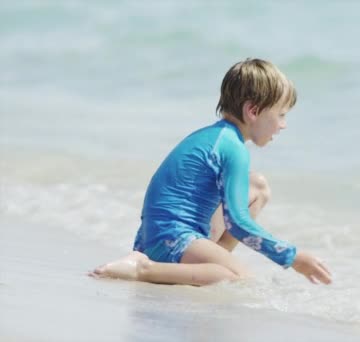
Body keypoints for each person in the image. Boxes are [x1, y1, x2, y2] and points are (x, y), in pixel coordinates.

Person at [91, 58, 332, 286]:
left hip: (157, 235)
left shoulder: (219, 136)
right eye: (281, 115)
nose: (283, 125)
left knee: (257, 188)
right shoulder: (233, 148)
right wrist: (293, 257)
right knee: (240, 279)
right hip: (170, 238)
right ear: (253, 111)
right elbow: (238, 223)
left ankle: (208, 260)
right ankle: (142, 269)